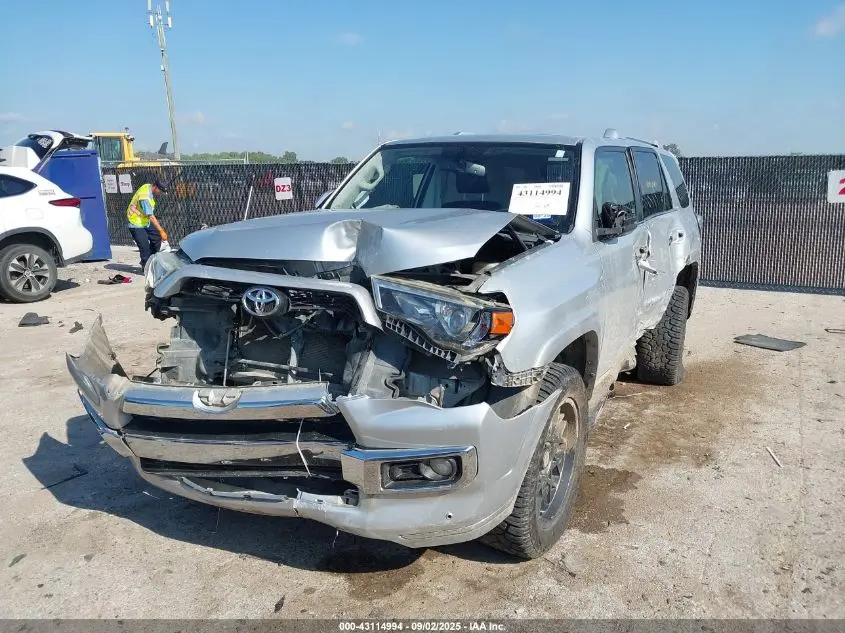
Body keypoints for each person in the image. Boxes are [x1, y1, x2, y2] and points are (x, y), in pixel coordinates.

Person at [126, 180, 169, 268]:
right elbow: (151, 216)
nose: (160, 193)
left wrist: (159, 233)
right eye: (160, 191)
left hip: (144, 220)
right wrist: (161, 230)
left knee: (156, 237)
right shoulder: (144, 197)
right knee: (144, 246)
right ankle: (146, 267)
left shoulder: (147, 186)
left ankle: (152, 260)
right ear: (155, 187)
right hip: (135, 222)